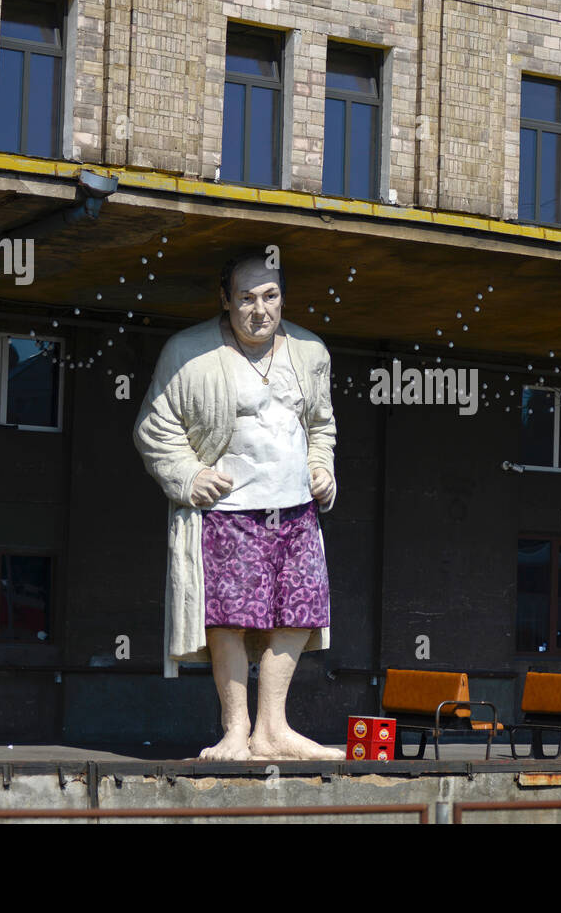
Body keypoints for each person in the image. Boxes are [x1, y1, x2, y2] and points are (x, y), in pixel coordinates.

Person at [133, 249, 342, 760]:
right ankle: (235, 729)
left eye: (270, 296)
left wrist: (323, 468)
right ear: (225, 300)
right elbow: (154, 428)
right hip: (230, 508)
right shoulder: (189, 351)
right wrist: (188, 475)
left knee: (299, 612)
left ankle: (273, 729)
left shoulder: (311, 352)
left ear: (283, 298)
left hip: (295, 509)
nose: (259, 310)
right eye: (246, 298)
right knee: (229, 617)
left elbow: (321, 426)